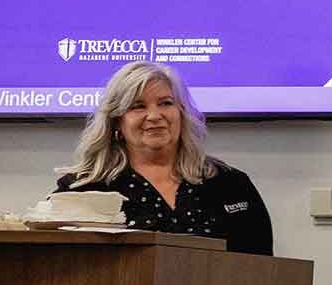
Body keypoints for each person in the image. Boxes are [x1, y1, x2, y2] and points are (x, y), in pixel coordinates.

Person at [58, 61, 273, 253]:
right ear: (117, 122)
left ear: (182, 112)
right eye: (138, 106)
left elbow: (262, 268)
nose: (154, 116)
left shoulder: (230, 184)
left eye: (166, 103)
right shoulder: (82, 188)